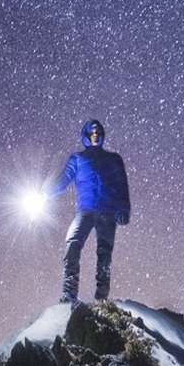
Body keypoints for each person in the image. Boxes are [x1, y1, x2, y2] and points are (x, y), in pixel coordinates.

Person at [47, 118, 130, 303]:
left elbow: (121, 185)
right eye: (91, 133)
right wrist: (45, 192)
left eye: (98, 132)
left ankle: (101, 298)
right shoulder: (77, 159)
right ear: (86, 135)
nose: (95, 135)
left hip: (108, 211)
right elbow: (63, 180)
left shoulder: (114, 159)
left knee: (104, 253)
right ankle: (69, 293)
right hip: (85, 210)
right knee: (72, 243)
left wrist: (124, 209)